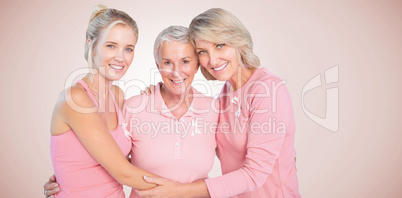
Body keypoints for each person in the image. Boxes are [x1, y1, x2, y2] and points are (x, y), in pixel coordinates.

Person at [136, 8, 300, 198]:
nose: (213, 59)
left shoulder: (268, 90)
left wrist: (178, 192)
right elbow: (200, 145)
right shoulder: (224, 95)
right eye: (203, 51)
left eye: (220, 45)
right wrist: (160, 94)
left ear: (237, 40)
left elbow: (255, 174)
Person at [45, 25, 219, 198]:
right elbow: (112, 159)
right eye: (167, 62)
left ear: (197, 65)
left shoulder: (215, 110)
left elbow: (240, 170)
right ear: (158, 65)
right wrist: (66, 179)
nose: (176, 71)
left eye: (185, 61)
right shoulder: (133, 107)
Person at [45, 4, 159, 197]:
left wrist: (152, 100)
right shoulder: (75, 98)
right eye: (111, 46)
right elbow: (124, 173)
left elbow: (129, 161)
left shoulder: (118, 95)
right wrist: (186, 191)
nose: (120, 57)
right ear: (91, 43)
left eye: (128, 49)